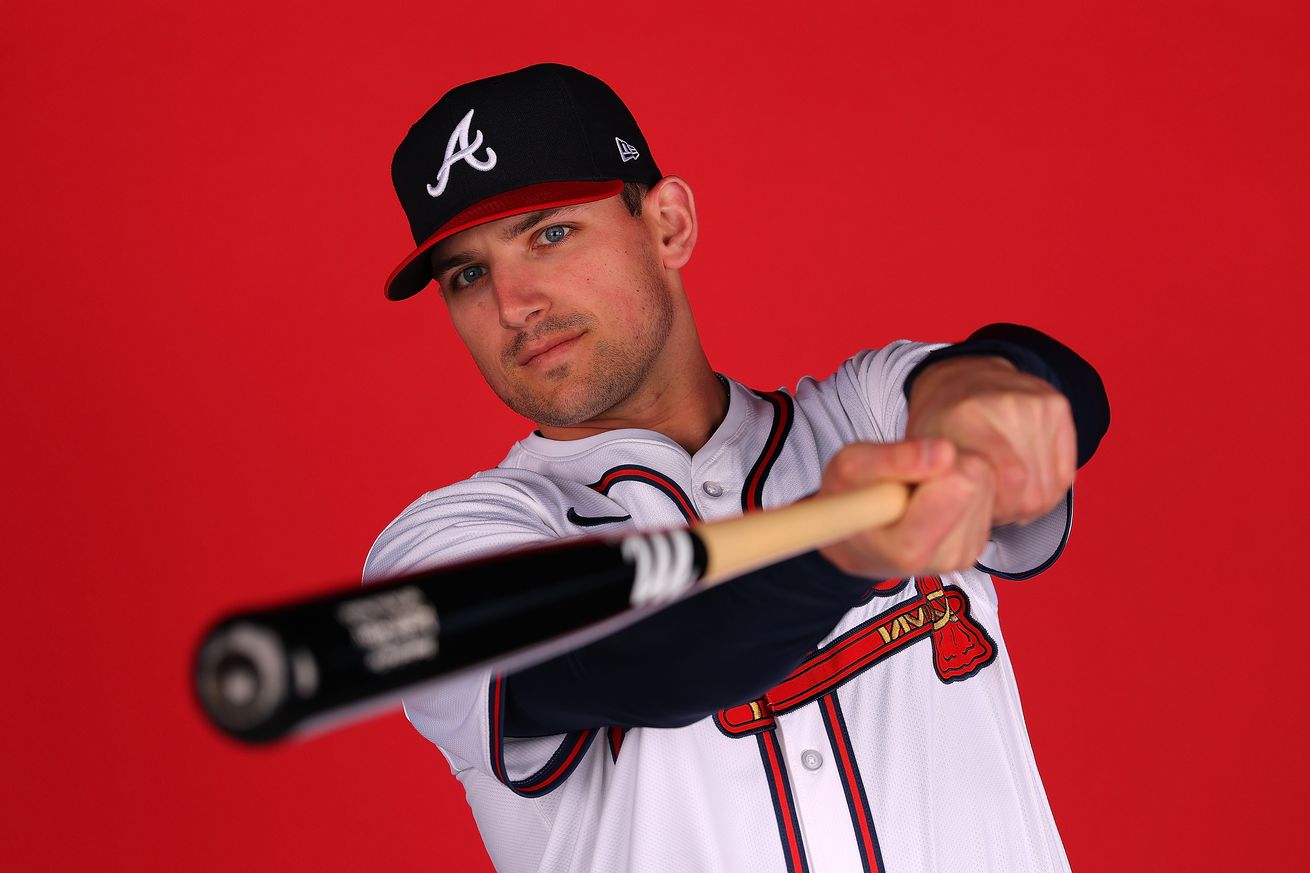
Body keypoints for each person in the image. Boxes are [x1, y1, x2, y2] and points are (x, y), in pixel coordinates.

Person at [365, 63, 1109, 873]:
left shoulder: (864, 414)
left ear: (668, 225)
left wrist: (982, 401)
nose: (514, 304)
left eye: (550, 233)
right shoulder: (440, 550)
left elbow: (1016, 376)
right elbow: (653, 659)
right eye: (467, 276)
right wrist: (848, 548)